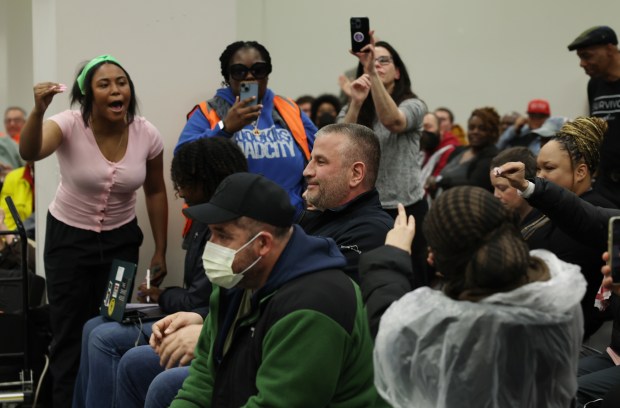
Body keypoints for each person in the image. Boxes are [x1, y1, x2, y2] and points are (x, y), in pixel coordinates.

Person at [19, 54, 168, 408]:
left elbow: (156, 190)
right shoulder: (68, 124)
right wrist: (38, 111)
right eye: (105, 84)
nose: (117, 90)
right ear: (87, 95)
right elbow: (30, 150)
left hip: (120, 243)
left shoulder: (146, 132)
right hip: (69, 242)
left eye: (122, 82)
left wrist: (161, 249)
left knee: (109, 327)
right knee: (69, 335)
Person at [164, 173, 385, 407]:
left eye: (223, 236)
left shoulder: (313, 307)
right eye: (211, 234)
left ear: (263, 244)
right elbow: (204, 380)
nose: (211, 247)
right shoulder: (237, 279)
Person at [73, 137, 247, 408]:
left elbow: (198, 302)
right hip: (193, 313)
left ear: (203, 180)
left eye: (183, 184)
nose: (180, 192)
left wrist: (161, 296)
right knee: (91, 325)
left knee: (103, 340)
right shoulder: (201, 221)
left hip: (198, 318)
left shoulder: (228, 224)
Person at [372, 186, 586, 407]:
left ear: (436, 260)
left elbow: (390, 330)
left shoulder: (450, 327)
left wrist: (393, 257)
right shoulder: (556, 295)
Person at [176, 41, 316, 215]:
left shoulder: (288, 108)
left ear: (267, 74)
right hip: (229, 221)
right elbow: (183, 159)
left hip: (291, 220)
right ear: (227, 77)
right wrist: (224, 127)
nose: (249, 77)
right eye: (239, 71)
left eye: (258, 70)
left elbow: (325, 148)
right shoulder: (208, 111)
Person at [339, 32, 429, 285]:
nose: (376, 64)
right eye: (370, 62)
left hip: (405, 207)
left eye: (383, 61)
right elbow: (340, 144)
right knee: (365, 277)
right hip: (363, 208)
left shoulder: (414, 105)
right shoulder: (353, 106)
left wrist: (372, 75)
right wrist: (355, 103)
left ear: (398, 72)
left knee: (411, 279)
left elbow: (393, 121)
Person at [299, 123, 393, 281]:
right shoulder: (325, 215)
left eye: (320, 162)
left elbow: (317, 291)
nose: (307, 171)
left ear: (356, 174)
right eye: (310, 160)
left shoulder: (371, 232)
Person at [568, 26, 620, 207]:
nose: (582, 63)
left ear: (609, 49)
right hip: (606, 184)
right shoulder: (595, 85)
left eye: (587, 56)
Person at [428, 106, 500, 194]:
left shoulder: (493, 157)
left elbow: (474, 185)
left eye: (482, 129)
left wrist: (439, 181)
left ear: (492, 132)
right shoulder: (458, 151)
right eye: (471, 128)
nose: (475, 132)